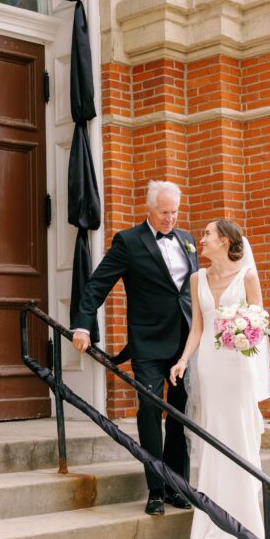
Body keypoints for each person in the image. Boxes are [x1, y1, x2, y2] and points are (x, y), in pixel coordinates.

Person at [72, 180, 199, 515]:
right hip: (148, 344)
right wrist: (83, 325)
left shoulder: (186, 240)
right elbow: (98, 283)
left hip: (184, 342)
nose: (170, 219)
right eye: (164, 213)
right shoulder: (128, 241)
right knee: (149, 409)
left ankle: (178, 486)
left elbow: (193, 292)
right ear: (148, 209)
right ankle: (155, 488)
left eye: (174, 212)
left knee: (179, 416)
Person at [169, 219, 270, 539]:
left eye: (208, 235)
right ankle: (213, 524)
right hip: (210, 367)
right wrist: (183, 360)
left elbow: (259, 323)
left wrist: (244, 331)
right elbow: (197, 328)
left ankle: (247, 525)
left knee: (238, 436)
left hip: (237, 366)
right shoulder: (197, 278)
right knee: (214, 437)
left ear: (226, 241)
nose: (202, 239)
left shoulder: (248, 277)